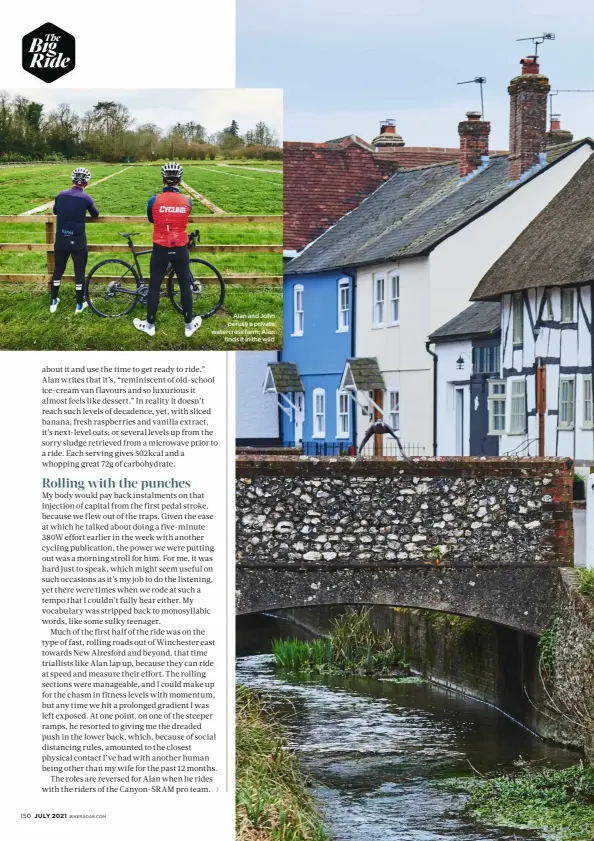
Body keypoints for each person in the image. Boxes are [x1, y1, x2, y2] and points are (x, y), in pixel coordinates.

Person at [133, 162, 202, 338]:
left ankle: (149, 326)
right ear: (179, 180)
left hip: (160, 248)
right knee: (185, 286)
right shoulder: (187, 201)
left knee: (154, 286)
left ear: (163, 179)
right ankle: (188, 327)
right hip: (180, 248)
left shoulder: (153, 200)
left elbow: (151, 219)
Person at [50, 167, 99, 313]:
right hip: (77, 239)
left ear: (72, 180)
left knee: (58, 268)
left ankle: (53, 301)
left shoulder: (61, 195)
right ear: (86, 182)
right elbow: (95, 214)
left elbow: (55, 211)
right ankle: (78, 304)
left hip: (61, 238)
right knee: (79, 270)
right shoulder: (86, 198)